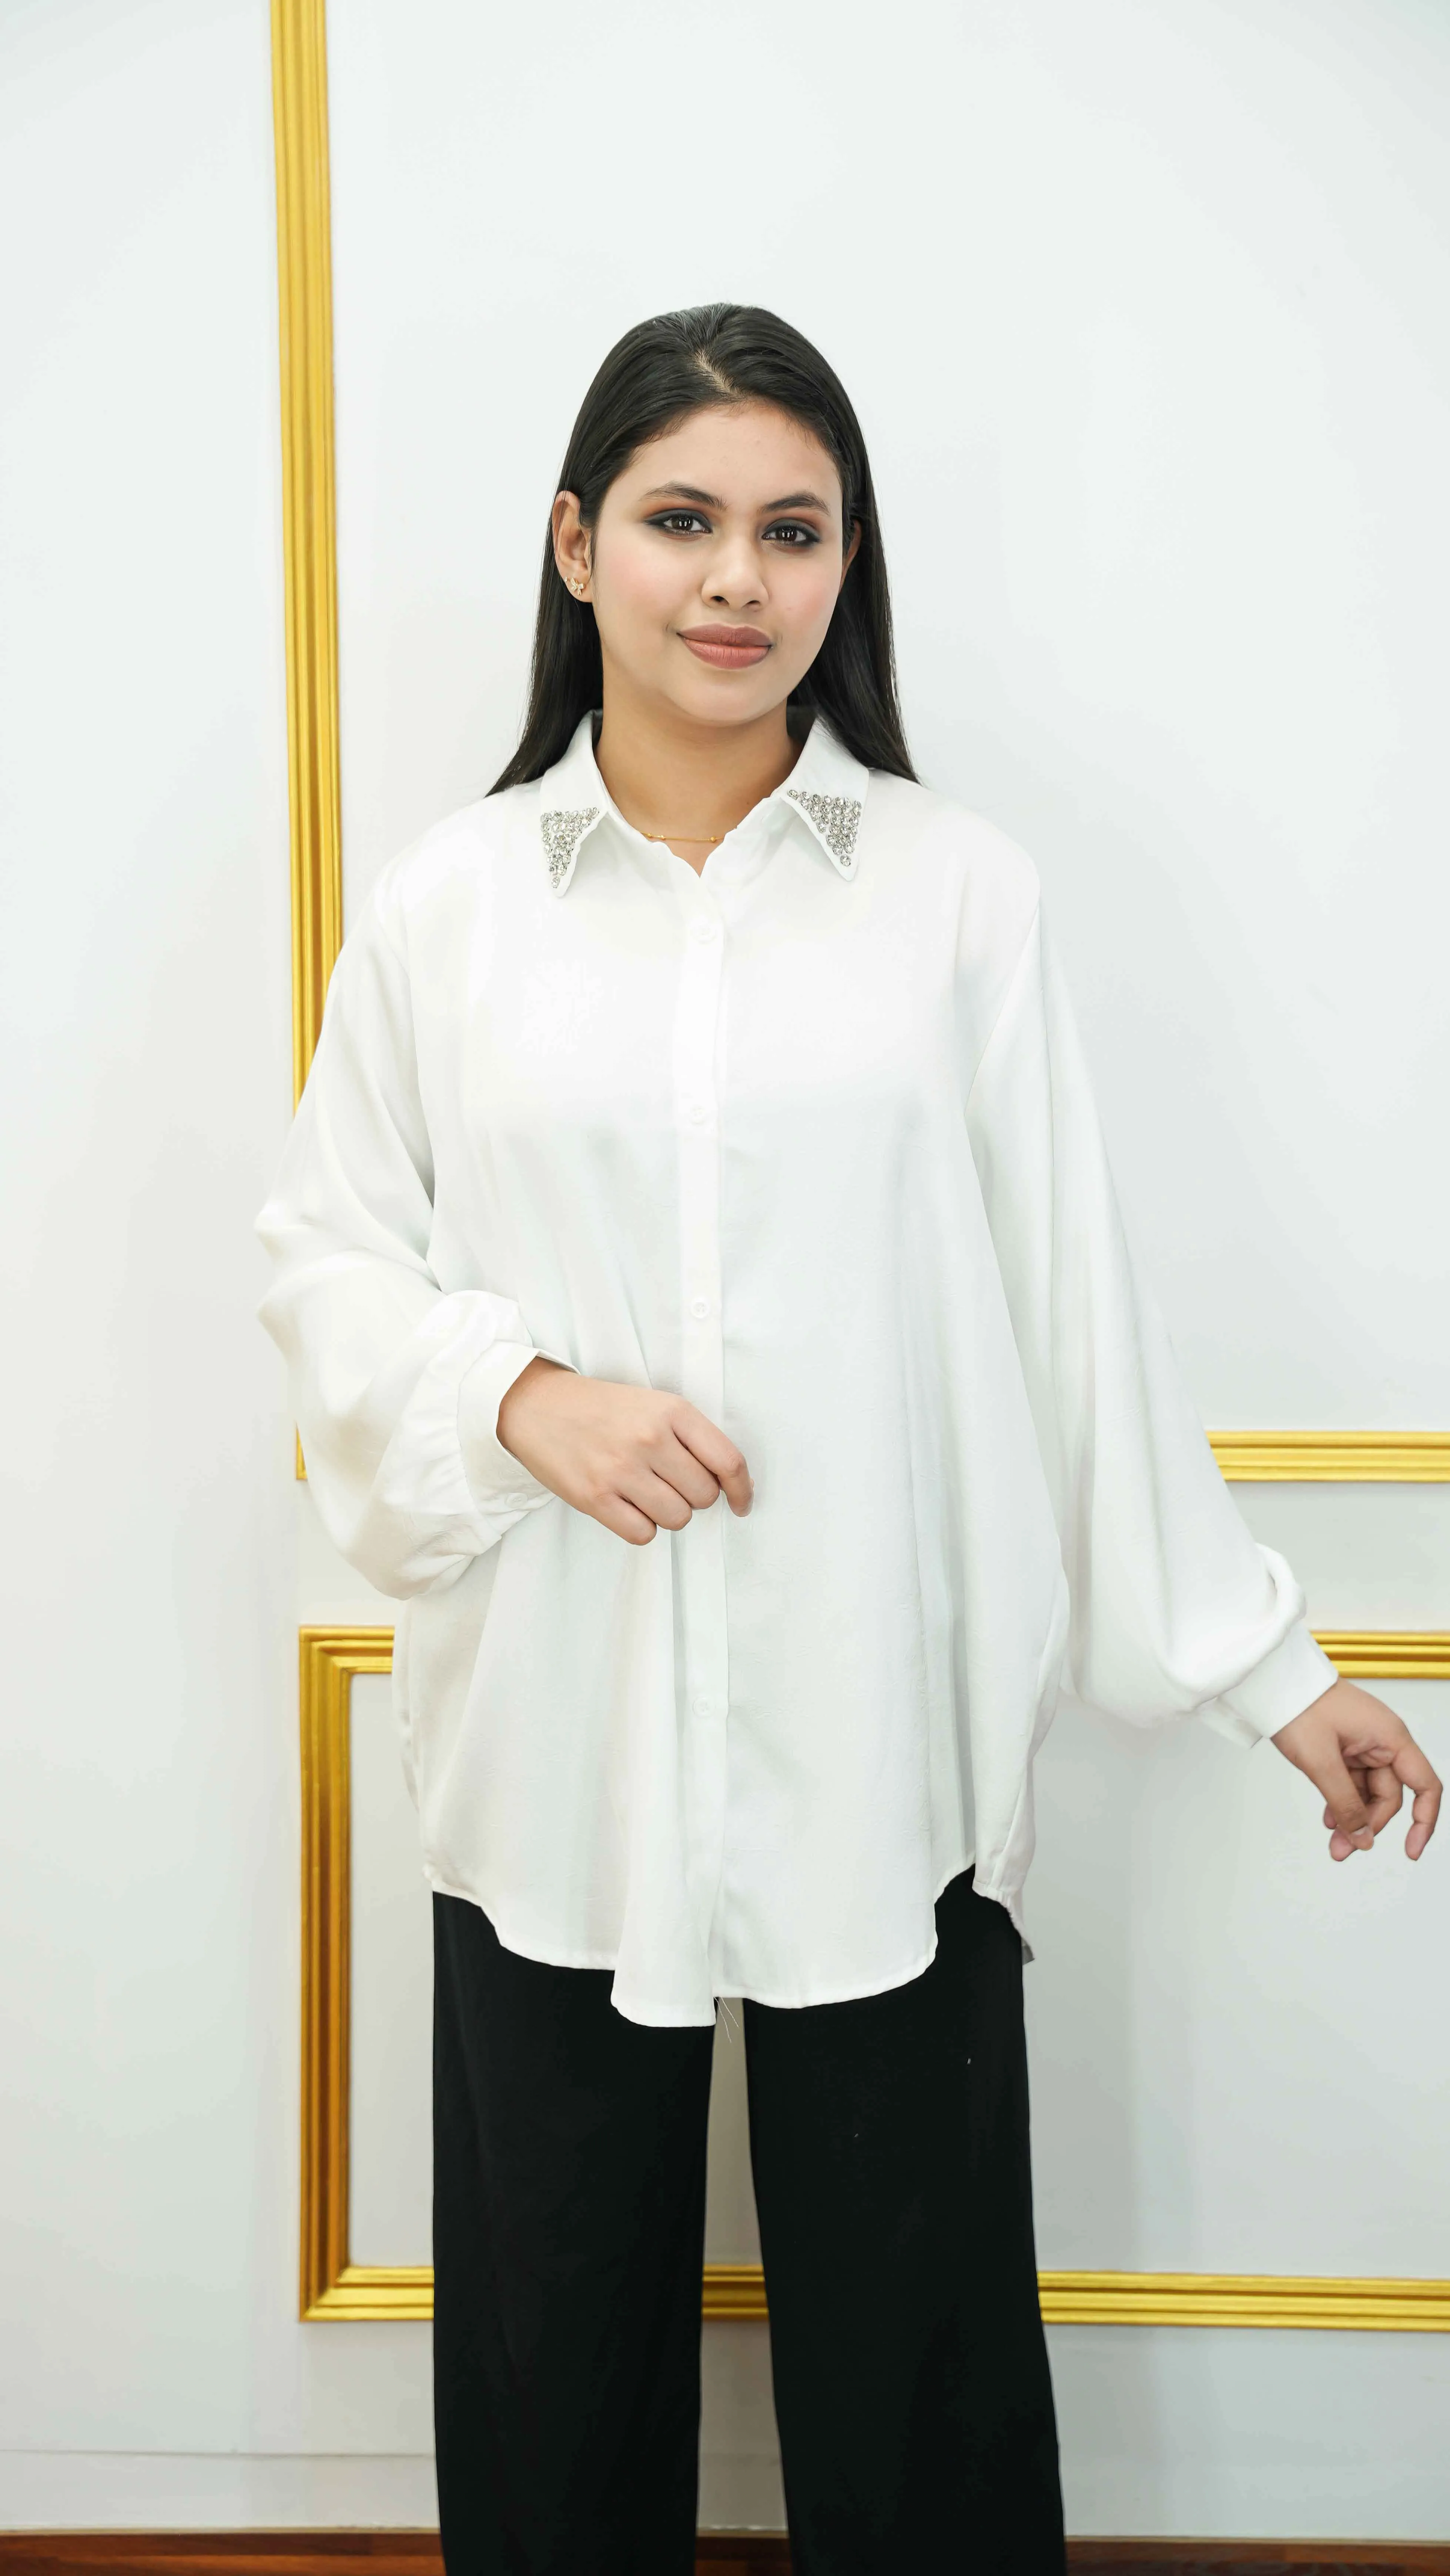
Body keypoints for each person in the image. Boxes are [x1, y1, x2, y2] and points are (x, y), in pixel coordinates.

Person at [255, 302, 1440, 2575]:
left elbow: (1070, 1308)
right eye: (681, 520)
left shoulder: (954, 898)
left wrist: (1268, 1671)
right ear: (575, 544)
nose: (735, 579)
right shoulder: (448, 911)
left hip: (878, 1736)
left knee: (924, 2387)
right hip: (557, 1744)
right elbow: (325, 1262)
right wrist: (516, 1398)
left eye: (792, 531)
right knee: (550, 2364)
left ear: (845, 565)